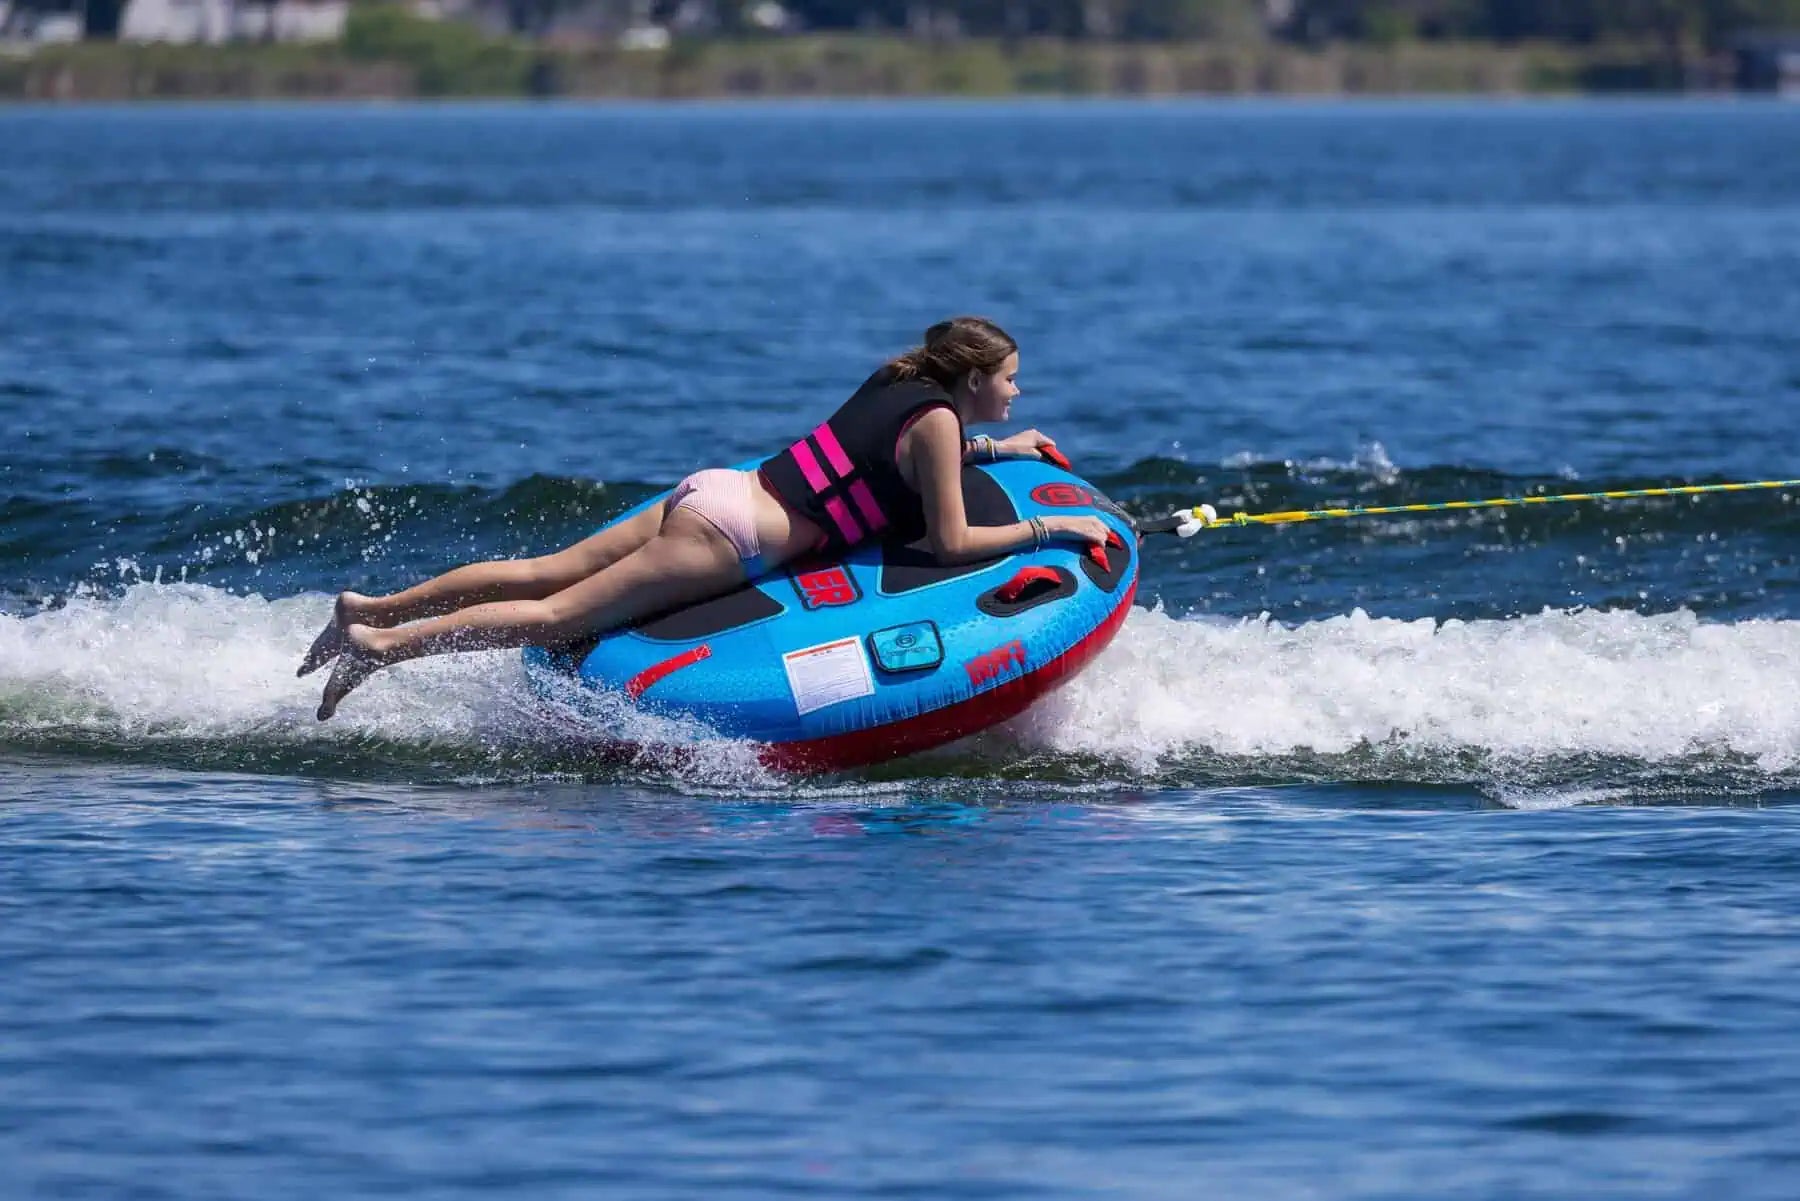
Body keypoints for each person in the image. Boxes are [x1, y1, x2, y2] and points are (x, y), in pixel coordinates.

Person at [301, 316, 1111, 719]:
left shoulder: (904, 382)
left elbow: (885, 463)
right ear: (970, 382)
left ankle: (370, 607)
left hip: (718, 488)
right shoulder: (940, 424)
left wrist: (1001, 448)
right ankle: (384, 648)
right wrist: (1052, 531)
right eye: (1009, 380)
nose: (1015, 392)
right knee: (553, 617)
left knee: (545, 568)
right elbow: (950, 539)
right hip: (738, 536)